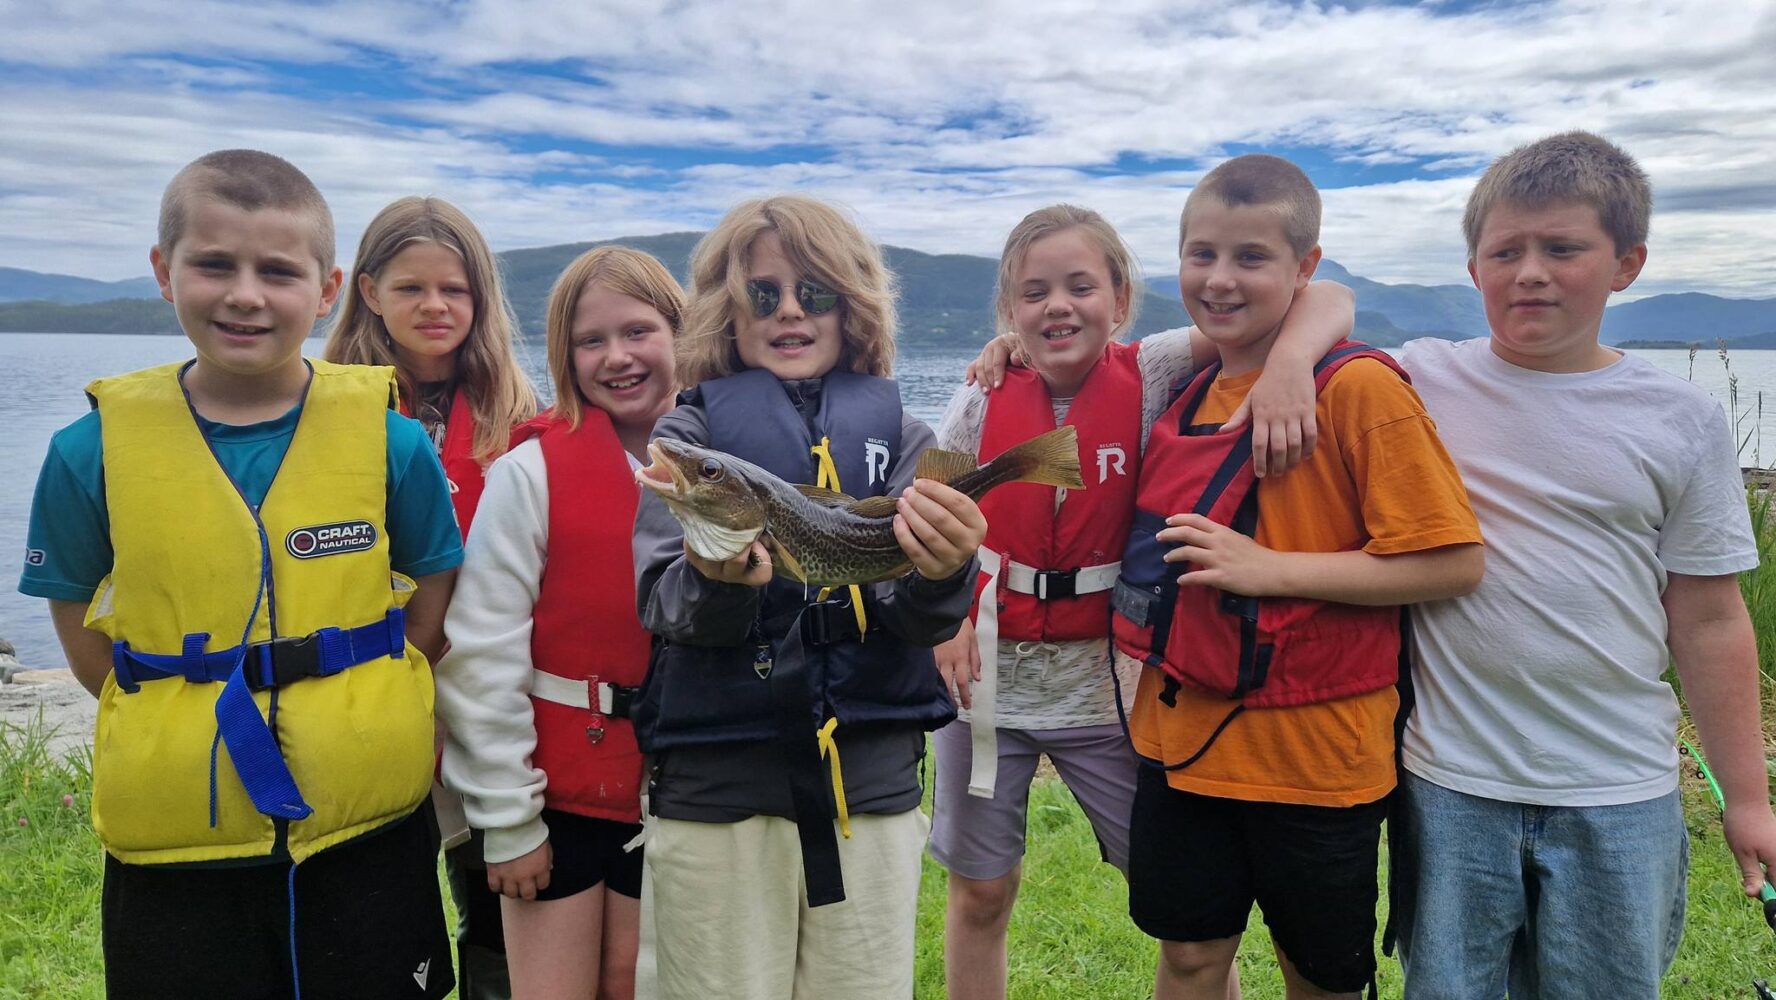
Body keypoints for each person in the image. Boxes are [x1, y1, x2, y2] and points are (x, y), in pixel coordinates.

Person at [17, 149, 463, 999]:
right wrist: (177, 708)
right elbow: (81, 635)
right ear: (164, 271)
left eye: (279, 271)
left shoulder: (393, 442)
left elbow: (432, 602)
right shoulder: (88, 452)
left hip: (365, 830)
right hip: (179, 842)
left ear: (327, 290)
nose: (246, 295)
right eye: (215, 264)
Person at [933, 203, 1355, 1000]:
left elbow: (1326, 297)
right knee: (980, 892)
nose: (1058, 306)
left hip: (1115, 692)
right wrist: (942, 620)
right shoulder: (978, 398)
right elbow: (932, 526)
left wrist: (1293, 360)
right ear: (1010, 310)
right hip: (984, 685)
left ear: (1121, 299)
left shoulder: (1155, 369)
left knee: (1187, 914)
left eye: (1080, 286)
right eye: (1034, 293)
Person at [1391, 131, 1776, 999]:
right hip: (1449, 783)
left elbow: (1710, 619)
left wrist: (1748, 801)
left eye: (1563, 248)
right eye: (1506, 252)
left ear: (1626, 264)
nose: (1530, 273)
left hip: (1621, 787)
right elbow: (1314, 303)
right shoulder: (1417, 379)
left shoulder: (1680, 418)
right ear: (1474, 269)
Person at [1111, 154, 1484, 999]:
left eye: (1252, 257)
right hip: (1179, 742)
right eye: (1201, 254)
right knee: (1189, 956)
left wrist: (1271, 570)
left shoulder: (1358, 389)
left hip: (1318, 759)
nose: (1220, 279)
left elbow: (1453, 560)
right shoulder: (1185, 391)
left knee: (1319, 975)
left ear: (1303, 267)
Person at [631, 194, 985, 1000]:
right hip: (718, 794)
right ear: (726, 311)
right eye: (763, 293)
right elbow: (663, 602)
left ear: (851, 304)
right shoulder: (685, 444)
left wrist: (946, 570)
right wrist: (716, 585)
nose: (790, 311)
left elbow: (917, 616)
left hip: (869, 787)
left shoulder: (906, 440)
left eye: (814, 291)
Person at [437, 246, 683, 1000]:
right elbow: (481, 654)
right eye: (590, 341)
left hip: (684, 791)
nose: (617, 356)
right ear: (564, 357)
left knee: (637, 984)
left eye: (638, 331)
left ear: (682, 333)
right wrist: (508, 820)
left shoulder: (726, 465)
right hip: (555, 794)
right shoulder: (529, 473)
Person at [324, 194, 538, 1000]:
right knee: (378, 917)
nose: (435, 306)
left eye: (454, 289)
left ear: (480, 297)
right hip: (370, 695)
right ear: (368, 291)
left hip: (483, 698)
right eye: (411, 288)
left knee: (497, 906)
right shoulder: (325, 412)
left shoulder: (520, 418)